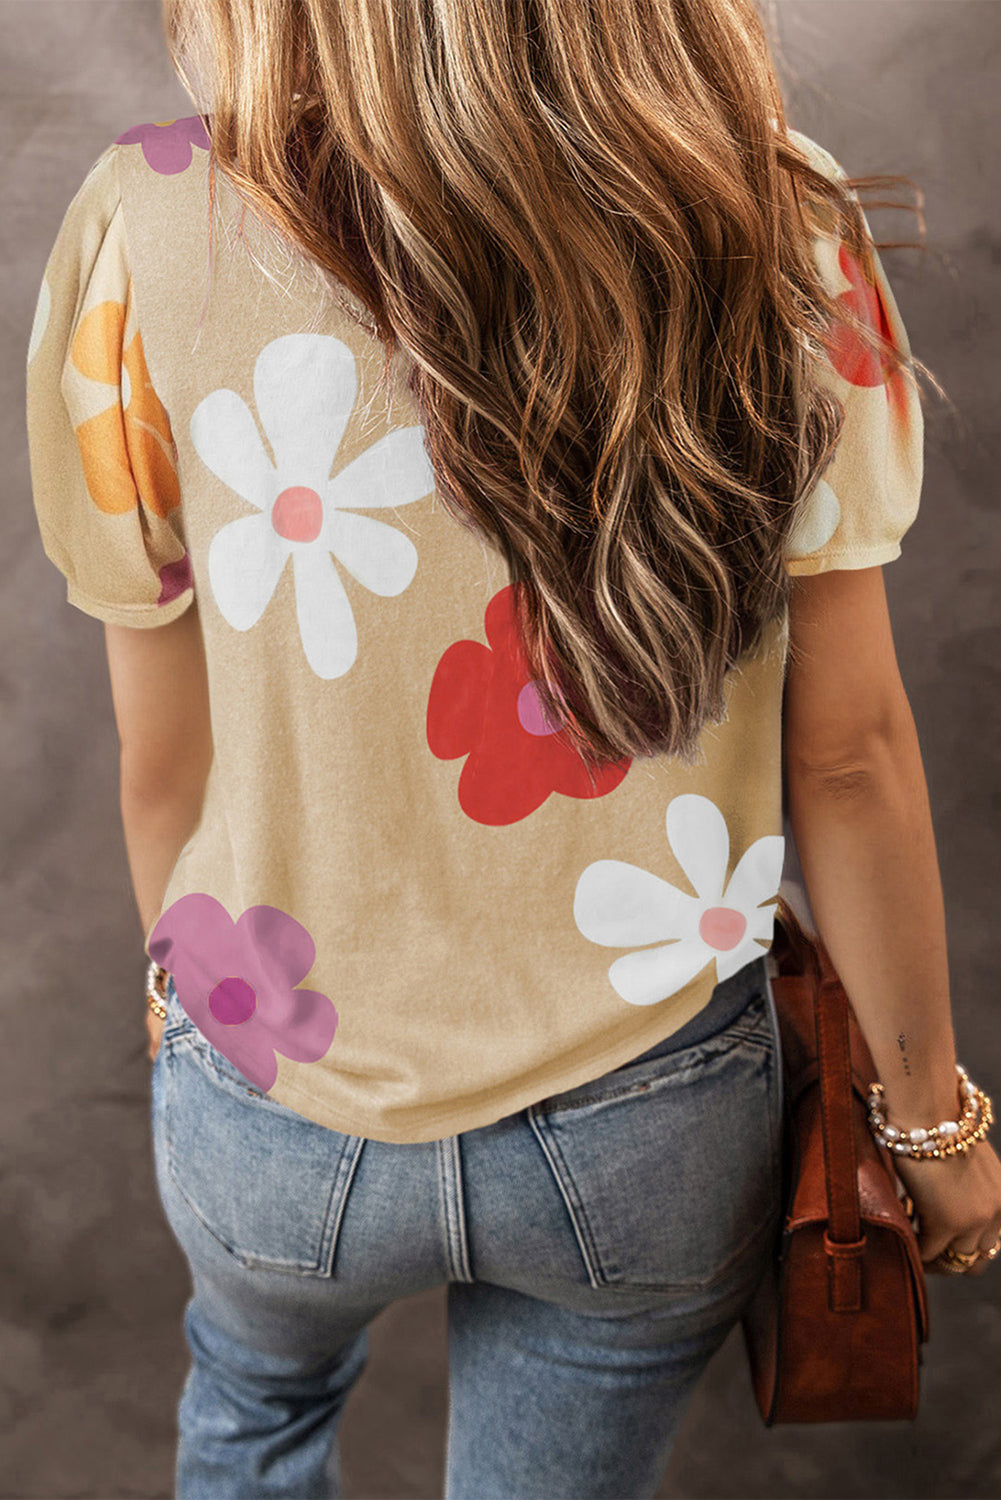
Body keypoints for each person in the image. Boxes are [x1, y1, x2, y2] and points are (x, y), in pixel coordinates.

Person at [23, 0, 1001, 1496]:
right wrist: (931, 1123)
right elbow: (851, 758)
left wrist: (194, 1026)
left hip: (271, 1097)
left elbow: (165, 766)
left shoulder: (145, 219)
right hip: (650, 1115)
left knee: (253, 1417)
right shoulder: (775, 219)